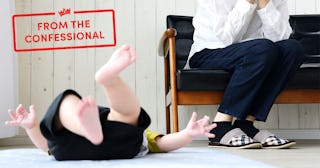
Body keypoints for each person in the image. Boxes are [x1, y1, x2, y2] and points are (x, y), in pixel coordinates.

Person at [5, 45, 217, 160]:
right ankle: (109, 81)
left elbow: (47, 147)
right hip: (122, 144)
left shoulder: (64, 140)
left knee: (66, 102)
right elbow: (163, 144)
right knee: (129, 114)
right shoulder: (137, 136)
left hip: (70, 148)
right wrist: (187, 135)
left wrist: (32, 127)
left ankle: (86, 124)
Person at [185, 0, 305, 149]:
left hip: (257, 53)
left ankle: (246, 124)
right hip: (210, 52)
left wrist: (265, 4)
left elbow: (280, 38)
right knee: (262, 47)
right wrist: (247, 2)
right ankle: (221, 125)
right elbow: (226, 39)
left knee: (293, 49)